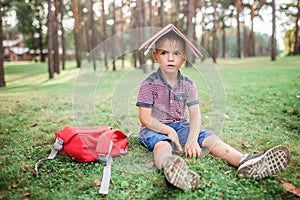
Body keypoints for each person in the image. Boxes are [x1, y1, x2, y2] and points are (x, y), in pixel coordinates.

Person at [135, 25, 291, 191]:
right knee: (162, 145)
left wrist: (192, 139)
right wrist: (168, 131)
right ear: (156, 56)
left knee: (210, 138)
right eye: (164, 53)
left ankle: (244, 161)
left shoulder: (188, 84)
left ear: (184, 58)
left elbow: (195, 115)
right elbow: (146, 119)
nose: (171, 59)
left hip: (181, 127)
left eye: (176, 54)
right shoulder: (148, 84)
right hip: (154, 129)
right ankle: (170, 168)